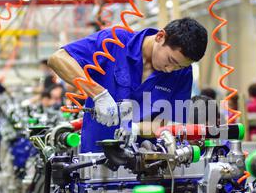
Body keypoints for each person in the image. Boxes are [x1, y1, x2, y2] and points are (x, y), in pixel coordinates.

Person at [48, 17, 208, 153]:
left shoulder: (183, 73)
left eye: (179, 66)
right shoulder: (115, 42)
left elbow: (170, 124)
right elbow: (58, 59)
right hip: (95, 160)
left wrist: (135, 128)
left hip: (147, 163)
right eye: (171, 61)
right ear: (160, 37)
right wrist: (98, 94)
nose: (171, 70)